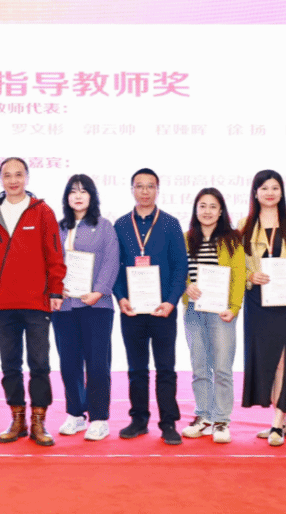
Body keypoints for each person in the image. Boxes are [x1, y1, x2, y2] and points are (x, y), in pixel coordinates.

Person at [0, 157, 66, 446]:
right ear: (0, 179)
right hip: (2, 304)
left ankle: (39, 421)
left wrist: (55, 290)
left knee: (39, 363)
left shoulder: (43, 212)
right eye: (7, 175)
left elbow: (55, 254)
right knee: (10, 365)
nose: (13, 180)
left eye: (18, 174)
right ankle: (17, 419)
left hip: (37, 302)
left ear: (27, 177)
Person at [112, 168, 188, 445]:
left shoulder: (170, 223)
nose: (145, 191)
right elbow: (114, 266)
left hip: (162, 310)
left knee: (166, 368)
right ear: (132, 189)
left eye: (150, 186)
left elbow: (180, 267)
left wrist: (171, 301)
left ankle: (168, 423)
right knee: (136, 368)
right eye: (139, 186)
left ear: (157, 189)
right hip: (132, 309)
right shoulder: (121, 225)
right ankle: (139, 420)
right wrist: (120, 297)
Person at [240, 170, 286, 447]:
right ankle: (282, 418)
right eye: (264, 188)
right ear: (255, 192)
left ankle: (277, 422)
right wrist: (250, 276)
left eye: (275, 188)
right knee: (265, 360)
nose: (270, 193)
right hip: (258, 301)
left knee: (283, 359)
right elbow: (238, 265)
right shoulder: (245, 224)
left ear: (281, 192)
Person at [54, 174, 120, 441]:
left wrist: (99, 291)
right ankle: (76, 414)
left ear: (92, 196)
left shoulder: (104, 226)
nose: (78, 196)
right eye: (73, 191)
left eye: (83, 191)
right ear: (66, 197)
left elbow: (112, 261)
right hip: (64, 306)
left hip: (96, 305)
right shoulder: (58, 228)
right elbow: (50, 262)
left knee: (97, 364)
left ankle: (99, 418)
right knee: (69, 363)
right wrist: (54, 289)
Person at [179, 188, 245, 444]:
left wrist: (234, 307)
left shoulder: (232, 239)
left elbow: (239, 275)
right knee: (199, 366)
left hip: (222, 311)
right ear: (196, 210)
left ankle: (221, 420)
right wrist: (186, 286)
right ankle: (203, 416)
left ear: (221, 211)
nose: (207, 211)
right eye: (202, 206)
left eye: (213, 206)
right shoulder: (186, 238)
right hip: (194, 311)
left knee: (222, 367)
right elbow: (178, 270)